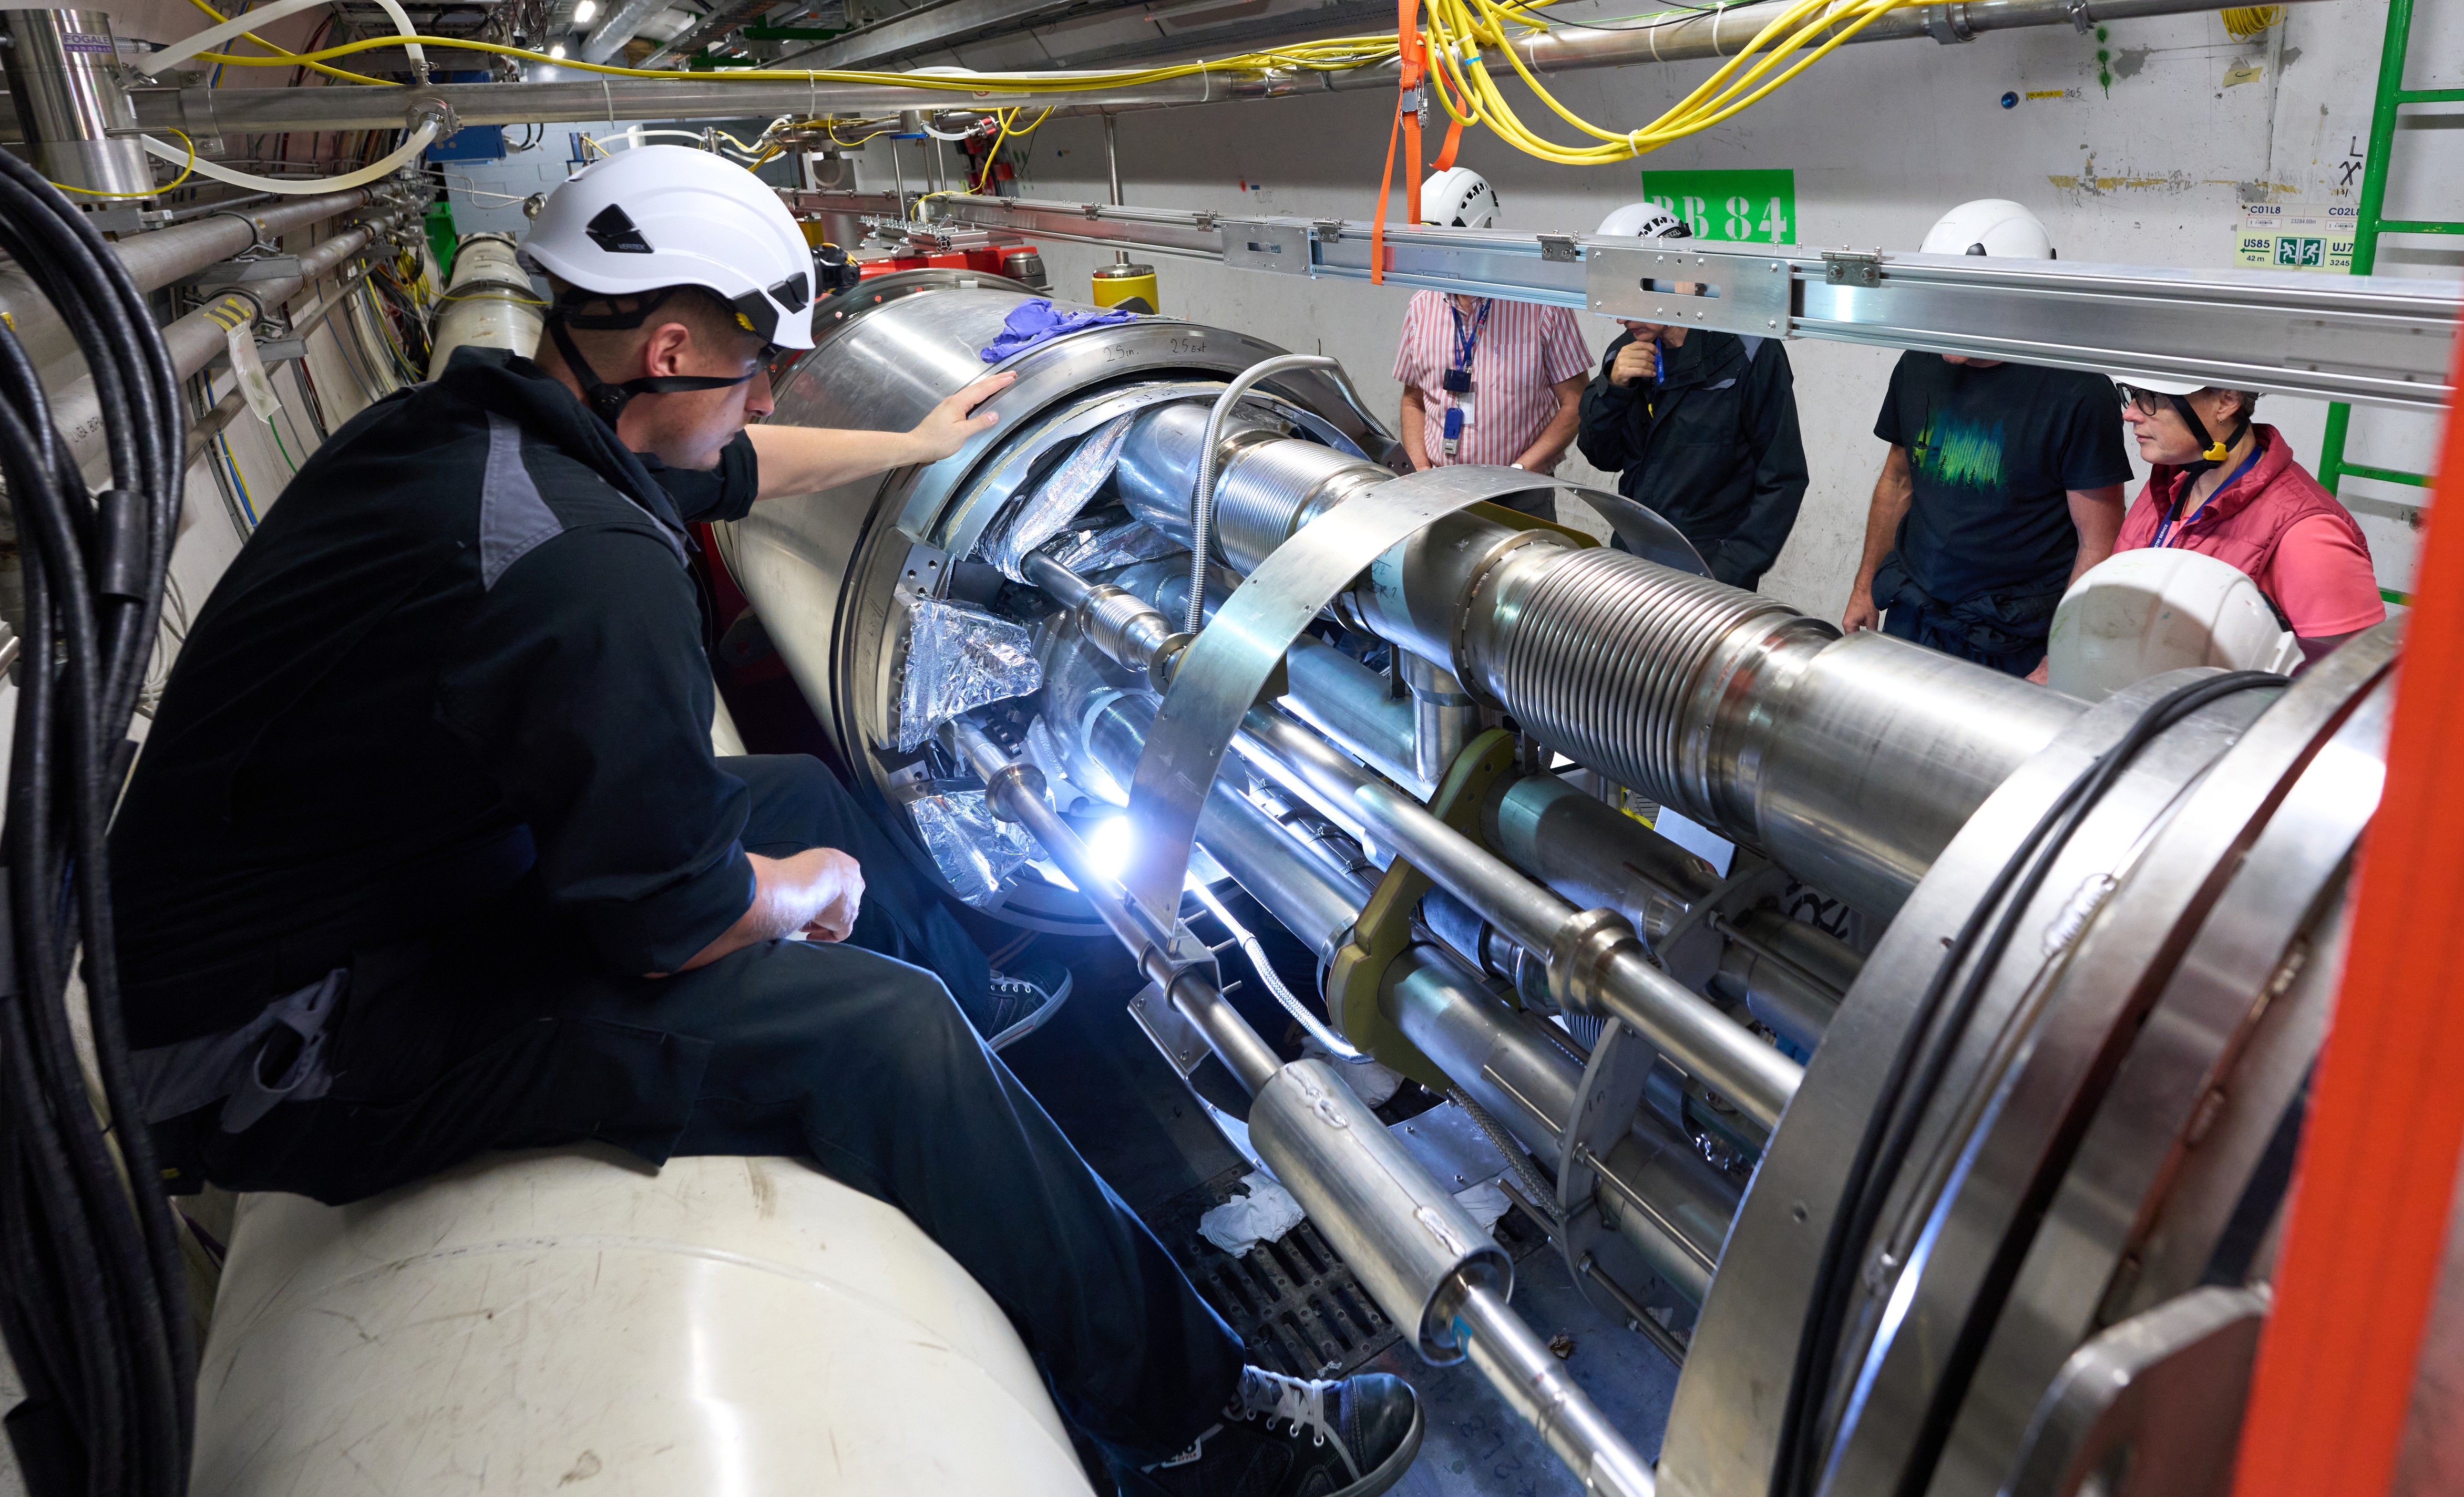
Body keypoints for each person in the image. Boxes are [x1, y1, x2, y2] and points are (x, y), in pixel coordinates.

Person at [107, 147, 1424, 1497]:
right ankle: (1204, 1429)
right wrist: (803, 891)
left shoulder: (503, 431)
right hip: (292, 1030)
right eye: (755, 368)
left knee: (792, 792)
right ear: (668, 348)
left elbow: (738, 466)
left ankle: (988, 1069)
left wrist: (922, 442)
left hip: (393, 880)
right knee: (877, 1029)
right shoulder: (582, 570)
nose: (765, 396)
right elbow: (671, 919)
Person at [1842, 200, 2130, 676]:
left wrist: (2063, 653)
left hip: (2012, 638)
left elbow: (2097, 541)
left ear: (2019, 294)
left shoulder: (2077, 391)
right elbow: (1898, 481)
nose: (1944, 318)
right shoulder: (1918, 365)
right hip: (1916, 614)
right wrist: (1864, 587)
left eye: (1964, 299)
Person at [1576, 202, 1808, 589]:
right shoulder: (1626, 353)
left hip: (1712, 570)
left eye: (1625, 295)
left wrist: (1730, 571)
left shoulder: (1748, 353)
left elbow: (1782, 478)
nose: (1617, 316)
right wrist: (1612, 390)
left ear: (1668, 280)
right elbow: (1603, 457)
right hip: (1633, 556)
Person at [2111, 373, 2385, 662]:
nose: (2129, 414)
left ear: (2227, 400)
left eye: (2150, 398)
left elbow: (2344, 686)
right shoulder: (2168, 486)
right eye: (2131, 394)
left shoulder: (2308, 535)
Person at [1392, 166, 1593, 497]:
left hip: (1520, 495)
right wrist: (1420, 471)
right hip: (1437, 492)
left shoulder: (1540, 305)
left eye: (1446, 244)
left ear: (1481, 231)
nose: (1435, 256)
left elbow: (1576, 404)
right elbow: (1413, 400)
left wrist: (1519, 472)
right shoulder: (1422, 305)